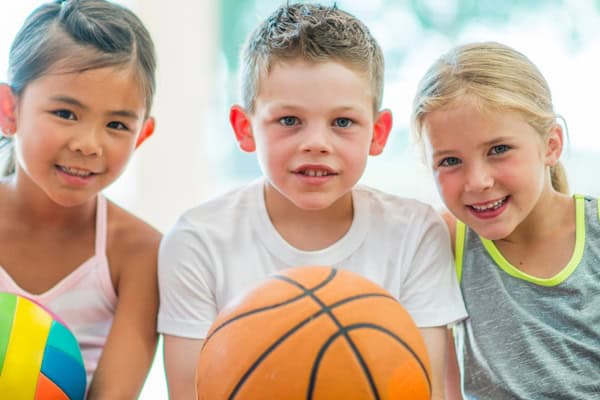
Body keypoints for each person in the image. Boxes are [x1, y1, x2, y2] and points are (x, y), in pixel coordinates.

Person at [158, 3, 466, 399]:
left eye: (342, 122)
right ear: (244, 128)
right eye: (289, 121)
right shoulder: (197, 240)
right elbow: (190, 394)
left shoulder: (415, 233)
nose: (316, 144)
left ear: (378, 132)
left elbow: (426, 391)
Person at [412, 41, 600, 399]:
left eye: (498, 150)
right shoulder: (445, 239)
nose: (477, 181)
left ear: (551, 145)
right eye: (450, 161)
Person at [0, 0, 160, 397]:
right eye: (66, 114)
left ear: (142, 135)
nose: (89, 145)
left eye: (117, 124)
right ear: (9, 111)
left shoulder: (140, 253)